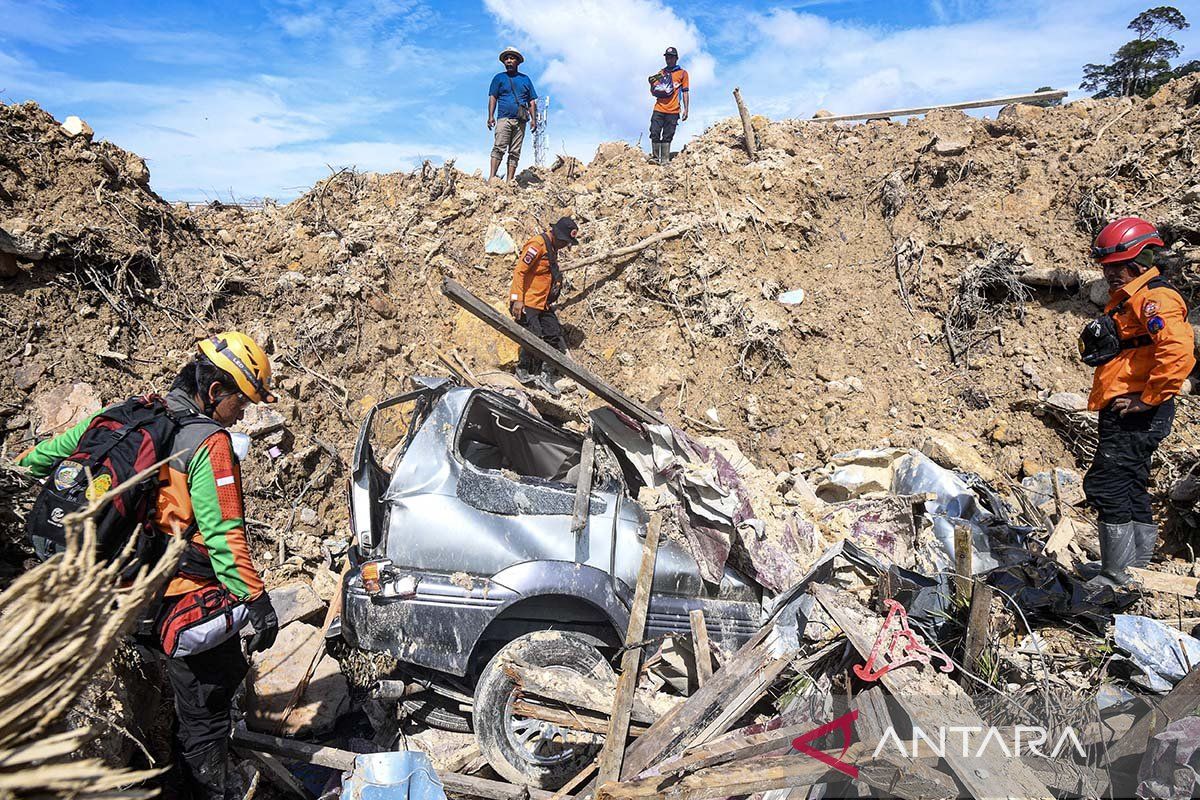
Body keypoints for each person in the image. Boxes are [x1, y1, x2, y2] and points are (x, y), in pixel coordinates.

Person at [17, 332, 280, 799]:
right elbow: (224, 534)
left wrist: (13, 478)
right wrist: (255, 600)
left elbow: (45, 459)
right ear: (216, 392)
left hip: (115, 591)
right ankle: (205, 789)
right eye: (242, 401)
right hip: (175, 596)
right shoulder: (210, 443)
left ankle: (165, 770)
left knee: (167, 702)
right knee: (207, 704)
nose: (243, 414)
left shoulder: (124, 417)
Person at [1080, 217, 1195, 586]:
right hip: (1127, 407)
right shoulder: (1132, 300)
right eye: (1107, 267)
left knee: (1109, 483)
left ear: (1140, 262)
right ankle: (1136, 573)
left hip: (1137, 411)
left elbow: (1178, 350)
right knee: (1129, 483)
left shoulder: (1154, 299)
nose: (1110, 273)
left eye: (1118, 266)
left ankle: (1116, 577)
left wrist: (1149, 399)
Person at [509, 216, 579, 396]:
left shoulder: (553, 249)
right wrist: (517, 299)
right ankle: (523, 370)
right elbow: (520, 271)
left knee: (553, 334)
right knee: (534, 336)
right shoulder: (537, 245)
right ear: (556, 234)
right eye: (564, 241)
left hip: (542, 304)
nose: (566, 245)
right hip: (528, 301)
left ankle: (545, 376)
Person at [488, 46, 538, 182]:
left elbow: (532, 101)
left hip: (521, 121)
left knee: (515, 152)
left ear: (518, 62)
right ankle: (492, 178)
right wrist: (490, 116)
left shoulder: (525, 79)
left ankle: (509, 182)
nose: (509, 61)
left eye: (512, 58)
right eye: (506, 59)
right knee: (498, 148)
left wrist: (534, 119)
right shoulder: (499, 78)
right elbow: (493, 97)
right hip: (503, 118)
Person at [647, 46, 689, 166]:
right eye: (667, 57)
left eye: (671, 57)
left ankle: (665, 160)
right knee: (654, 131)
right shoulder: (661, 73)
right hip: (659, 108)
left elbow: (685, 91)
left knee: (668, 134)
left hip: (673, 110)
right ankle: (655, 158)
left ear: (676, 58)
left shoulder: (682, 73)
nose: (668, 60)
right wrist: (651, 82)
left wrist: (686, 109)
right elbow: (653, 88)